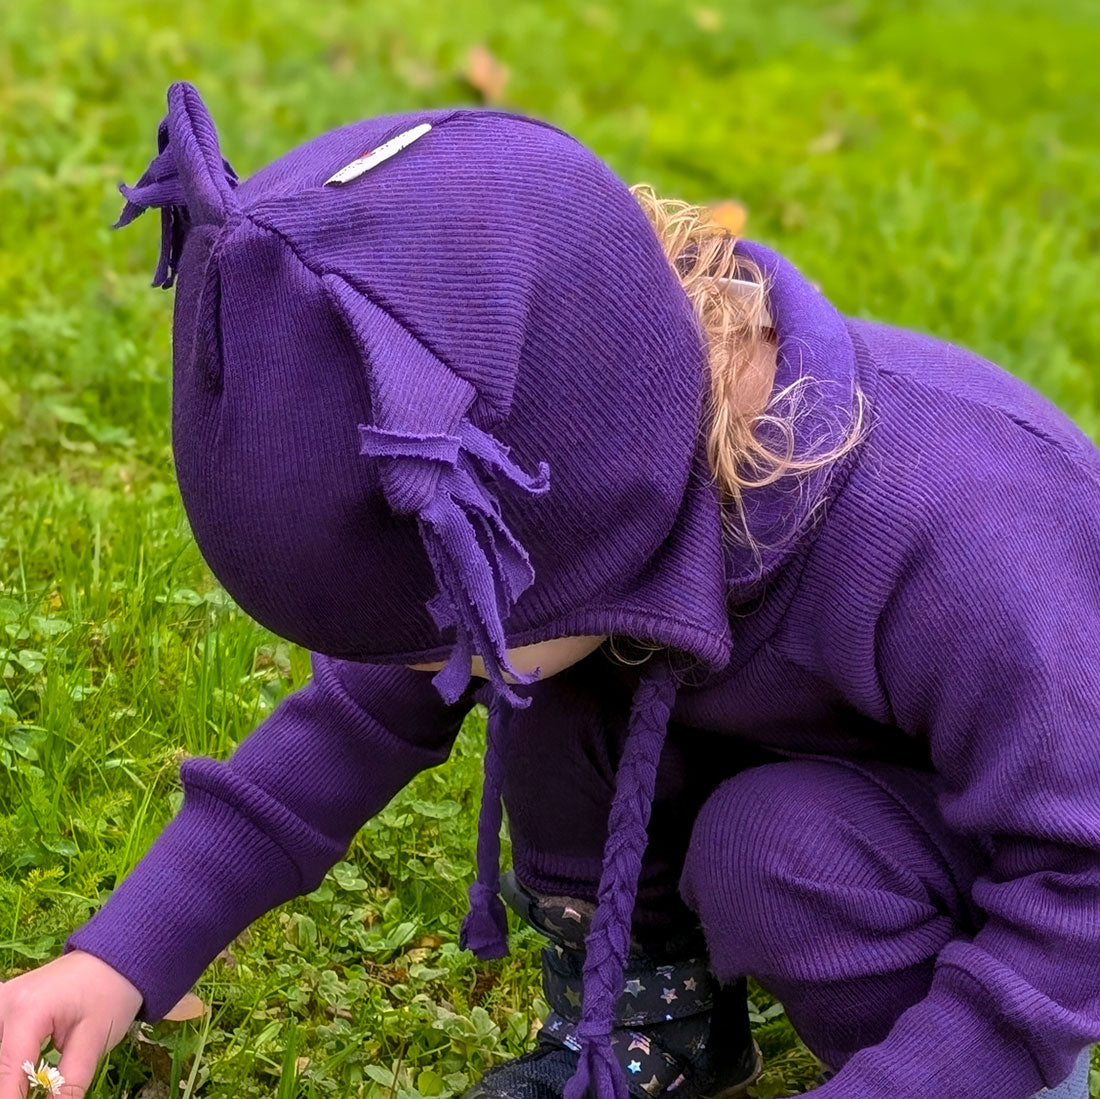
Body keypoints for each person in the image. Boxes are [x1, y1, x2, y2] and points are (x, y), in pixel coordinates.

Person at [1, 79, 1098, 1099]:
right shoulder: (579, 484)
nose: (435, 676)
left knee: (775, 848)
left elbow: (1075, 879)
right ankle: (644, 1022)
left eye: (456, 643)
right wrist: (118, 956)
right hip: (818, 751)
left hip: (1008, 850)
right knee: (560, 691)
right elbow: (349, 723)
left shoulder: (960, 524)